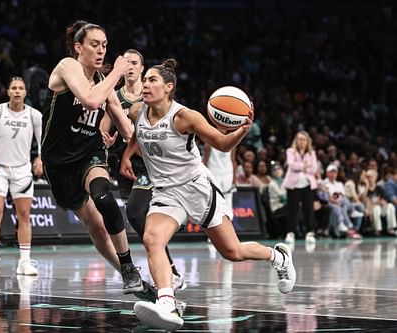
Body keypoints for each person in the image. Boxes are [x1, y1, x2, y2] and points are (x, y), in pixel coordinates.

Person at [121, 59, 295, 331]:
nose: (145, 84)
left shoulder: (185, 117)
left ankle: (278, 257)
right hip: (166, 193)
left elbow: (222, 144)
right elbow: (138, 135)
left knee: (233, 252)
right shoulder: (135, 111)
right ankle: (167, 302)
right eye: (145, 79)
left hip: (197, 189)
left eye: (152, 80)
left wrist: (241, 130)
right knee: (152, 238)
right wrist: (128, 154)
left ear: (169, 87)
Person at [41, 21, 145, 296]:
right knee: (96, 227)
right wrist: (117, 74)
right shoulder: (67, 67)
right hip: (59, 163)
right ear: (78, 47)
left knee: (104, 198)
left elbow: (127, 130)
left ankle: (129, 269)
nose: (101, 51)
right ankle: (125, 269)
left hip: (90, 153)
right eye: (94, 44)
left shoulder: (104, 82)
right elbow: (89, 99)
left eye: (104, 45)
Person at [102, 49, 185, 291]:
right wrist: (106, 141)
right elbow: (104, 128)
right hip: (124, 165)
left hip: (149, 165)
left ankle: (167, 270)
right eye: (125, 62)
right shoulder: (114, 96)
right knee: (141, 218)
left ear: (141, 69)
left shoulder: (151, 95)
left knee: (137, 212)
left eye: (134, 63)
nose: (129, 66)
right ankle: (169, 269)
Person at [0, 76, 43, 276]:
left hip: (22, 170)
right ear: (7, 91)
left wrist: (40, 158)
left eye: (20, 88)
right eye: (13, 87)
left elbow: (42, 141)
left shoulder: (34, 115)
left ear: (25, 93)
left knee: (24, 215)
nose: (16, 91)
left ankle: (24, 262)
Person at [282, 131, 318, 244]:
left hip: (307, 185)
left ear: (307, 142)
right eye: (299, 139)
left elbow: (314, 169)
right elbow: (291, 165)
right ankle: (290, 233)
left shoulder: (312, 153)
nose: (301, 142)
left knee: (308, 210)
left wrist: (301, 167)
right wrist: (305, 165)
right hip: (293, 185)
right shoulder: (290, 151)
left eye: (304, 140)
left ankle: (310, 232)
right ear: (296, 141)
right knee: (292, 210)